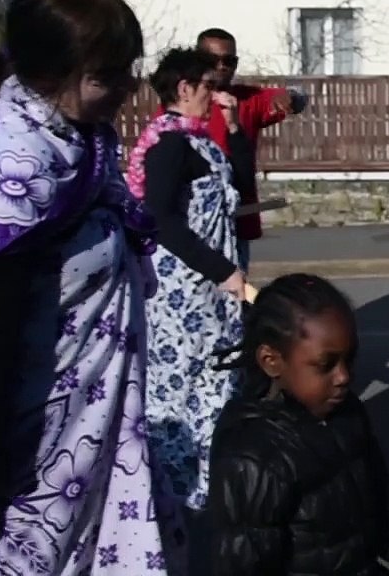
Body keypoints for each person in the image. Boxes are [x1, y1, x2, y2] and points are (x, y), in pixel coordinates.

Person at [0, 0, 185, 574]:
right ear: (48, 72)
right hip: (36, 451)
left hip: (87, 434)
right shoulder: (11, 172)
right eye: (106, 76)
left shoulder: (76, 136)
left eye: (127, 70)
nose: (127, 88)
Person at [208, 273, 389, 576]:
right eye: (326, 365)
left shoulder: (347, 414)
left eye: (349, 360)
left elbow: (388, 518)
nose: (343, 377)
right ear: (271, 361)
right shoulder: (253, 457)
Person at [129, 48, 252, 538]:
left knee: (218, 383)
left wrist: (235, 126)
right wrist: (220, 269)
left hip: (213, 292)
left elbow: (242, 185)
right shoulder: (169, 145)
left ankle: (207, 489)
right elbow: (160, 218)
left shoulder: (202, 141)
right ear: (183, 89)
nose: (214, 92)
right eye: (206, 85)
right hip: (182, 293)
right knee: (176, 389)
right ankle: (172, 501)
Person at [194, 28, 307, 271]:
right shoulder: (181, 101)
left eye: (230, 61)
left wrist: (293, 97)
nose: (222, 66)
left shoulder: (247, 100)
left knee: (236, 292)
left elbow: (296, 95)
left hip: (235, 217)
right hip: (193, 219)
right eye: (214, 60)